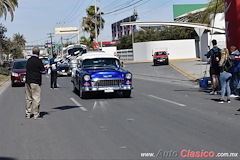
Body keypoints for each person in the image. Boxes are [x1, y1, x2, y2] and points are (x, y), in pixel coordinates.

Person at [25, 47, 49, 119]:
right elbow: (43, 71)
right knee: (36, 98)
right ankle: (36, 114)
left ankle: (28, 114)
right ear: (38, 53)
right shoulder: (38, 61)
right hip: (35, 81)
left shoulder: (28, 60)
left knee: (28, 98)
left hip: (28, 81)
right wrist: (46, 68)